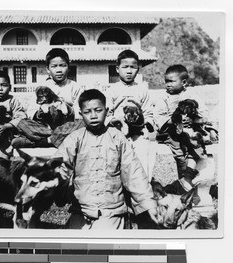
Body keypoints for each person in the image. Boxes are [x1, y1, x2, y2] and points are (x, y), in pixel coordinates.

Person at [53, 89, 158, 229]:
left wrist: (148, 205)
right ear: (80, 114)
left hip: (111, 212)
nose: (93, 116)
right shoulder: (75, 138)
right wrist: (59, 192)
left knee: (103, 244)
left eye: (98, 110)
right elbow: (59, 167)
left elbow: (134, 174)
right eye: (87, 112)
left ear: (107, 111)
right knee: (75, 247)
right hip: (81, 210)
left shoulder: (117, 137)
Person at [153, 64, 218, 195]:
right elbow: (158, 116)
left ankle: (189, 180)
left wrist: (195, 120)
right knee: (180, 154)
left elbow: (204, 113)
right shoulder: (163, 98)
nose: (168, 84)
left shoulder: (192, 95)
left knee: (196, 147)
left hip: (191, 131)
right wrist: (174, 121)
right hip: (173, 133)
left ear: (184, 82)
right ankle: (184, 180)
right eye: (166, 81)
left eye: (172, 81)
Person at [13, 48, 83, 148]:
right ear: (47, 69)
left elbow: (80, 113)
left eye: (63, 65)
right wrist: (40, 111)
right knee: (22, 123)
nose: (59, 70)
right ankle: (56, 138)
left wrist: (67, 108)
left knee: (83, 124)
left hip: (66, 126)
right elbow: (30, 112)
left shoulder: (75, 87)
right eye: (54, 66)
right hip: (45, 128)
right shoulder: (41, 86)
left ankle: (43, 141)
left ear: (68, 67)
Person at [105, 49, 154, 136]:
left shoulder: (142, 90)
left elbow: (148, 113)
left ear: (138, 69)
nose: (129, 71)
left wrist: (146, 123)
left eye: (133, 67)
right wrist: (117, 120)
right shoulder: (111, 90)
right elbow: (107, 115)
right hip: (117, 133)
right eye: (125, 67)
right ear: (117, 69)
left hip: (138, 133)